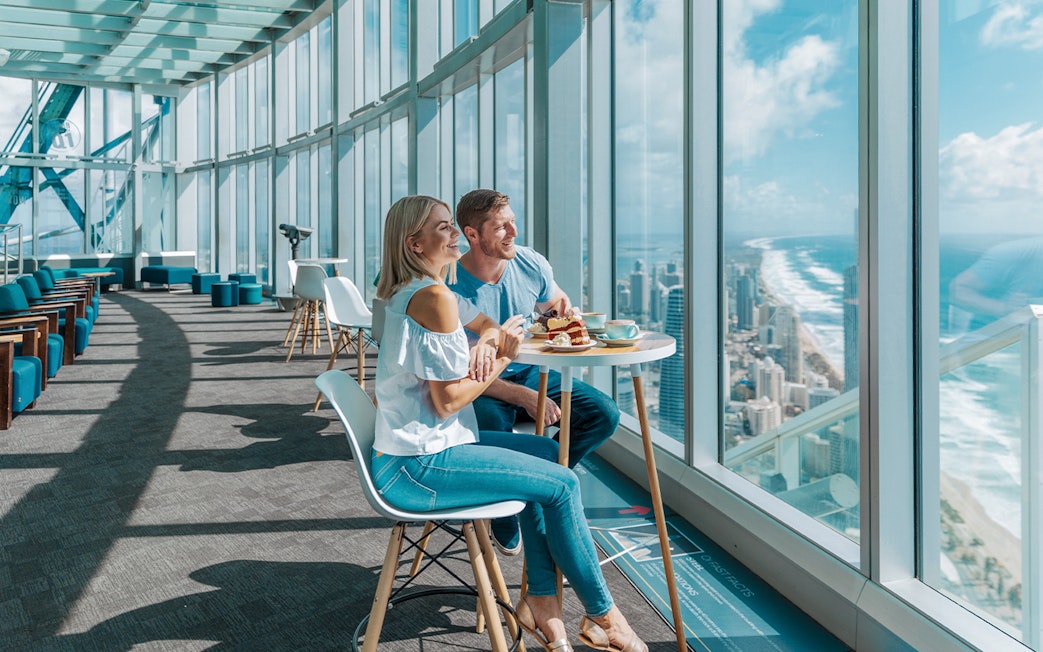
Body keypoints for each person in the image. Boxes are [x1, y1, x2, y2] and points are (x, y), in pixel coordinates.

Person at [372, 195, 647, 652]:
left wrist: (489, 342)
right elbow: (447, 401)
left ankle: (539, 598)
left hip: (426, 447)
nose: (454, 234)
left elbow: (488, 325)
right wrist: (500, 358)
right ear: (415, 244)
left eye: (452, 224)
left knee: (547, 454)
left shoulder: (430, 290)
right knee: (562, 484)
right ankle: (605, 617)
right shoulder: (434, 299)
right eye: (443, 228)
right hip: (418, 465)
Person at [448, 188, 621, 555]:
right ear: (472, 234)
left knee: (603, 414)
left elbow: (556, 305)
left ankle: (538, 484)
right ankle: (506, 512)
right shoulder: (449, 284)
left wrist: (563, 316)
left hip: (530, 371)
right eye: (501, 227)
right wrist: (521, 396)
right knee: (491, 430)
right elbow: (454, 369)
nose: (513, 232)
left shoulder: (529, 263)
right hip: (479, 383)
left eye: (512, 222)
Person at [949, 236, 1043, 332]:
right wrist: (1005, 309)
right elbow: (958, 290)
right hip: (993, 337)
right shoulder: (1015, 252)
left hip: (1032, 334)